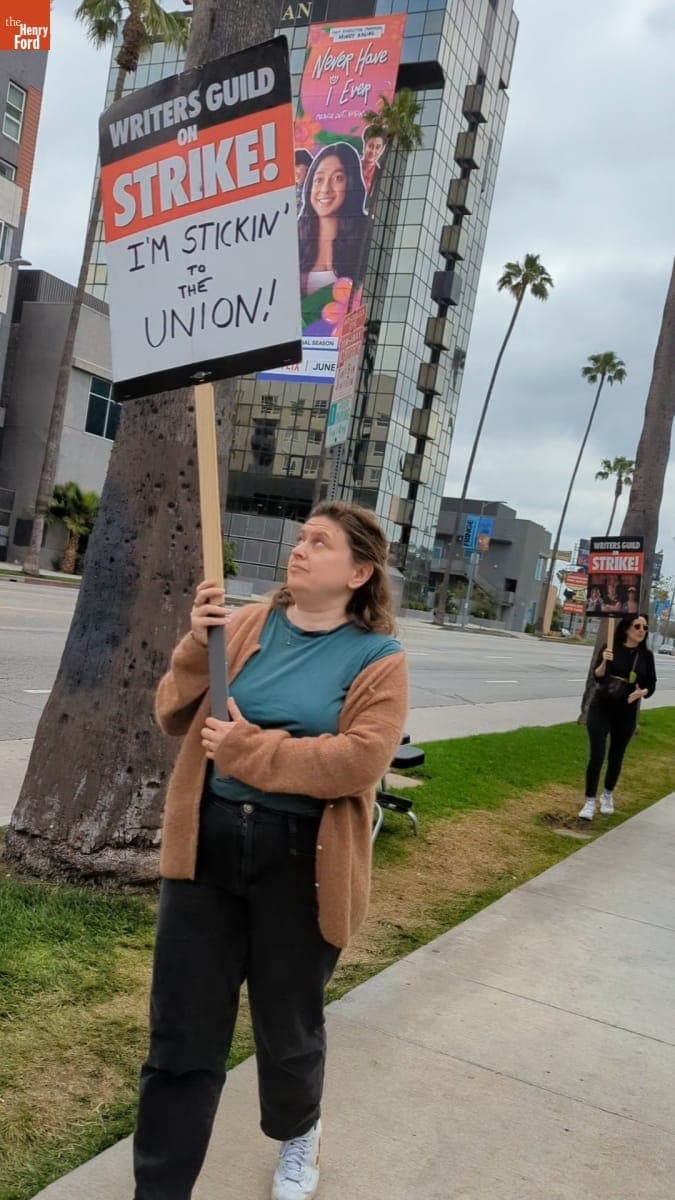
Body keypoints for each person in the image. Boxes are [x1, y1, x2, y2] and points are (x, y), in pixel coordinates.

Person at [132, 501, 409, 1200]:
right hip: (209, 850)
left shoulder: (377, 660)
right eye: (300, 538)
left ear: (358, 571)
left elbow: (356, 762)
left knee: (286, 1031)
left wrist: (251, 750)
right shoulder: (247, 622)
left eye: (320, 543)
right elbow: (172, 711)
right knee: (181, 1038)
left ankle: (300, 1133)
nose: (300, 549)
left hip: (301, 865)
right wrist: (198, 643)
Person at [578, 614, 656, 820]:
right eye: (637, 626)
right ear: (626, 628)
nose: (642, 630)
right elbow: (598, 675)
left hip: (627, 710)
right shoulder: (610, 646)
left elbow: (651, 684)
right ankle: (589, 801)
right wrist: (605, 660)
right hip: (602, 706)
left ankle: (607, 795)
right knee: (597, 754)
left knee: (616, 756)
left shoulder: (646, 656)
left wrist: (642, 692)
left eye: (645, 627)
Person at [297, 142, 370, 298]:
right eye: (319, 179)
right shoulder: (296, 238)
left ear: (351, 183)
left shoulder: (364, 238)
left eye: (338, 178)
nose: (325, 189)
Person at [361, 127, 387, 199]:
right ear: (364, 145)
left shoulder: (380, 175)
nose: (373, 151)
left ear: (382, 150)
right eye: (370, 146)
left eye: (378, 147)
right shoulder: (353, 166)